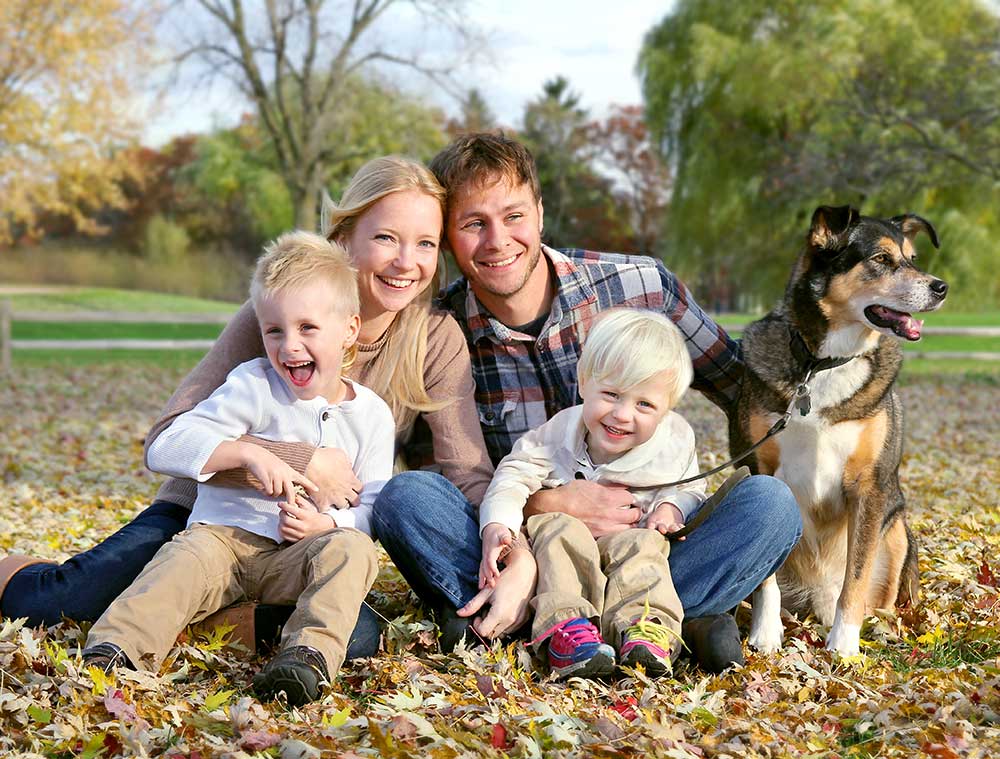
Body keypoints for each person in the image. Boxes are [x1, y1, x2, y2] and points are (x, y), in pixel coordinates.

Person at [1, 156, 533, 654]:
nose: (405, 262)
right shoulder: (278, 316)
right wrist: (301, 461)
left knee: (357, 637)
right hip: (206, 520)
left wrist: (515, 545)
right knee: (57, 603)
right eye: (386, 238)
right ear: (345, 238)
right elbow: (169, 431)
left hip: (307, 540)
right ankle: (103, 593)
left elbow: (464, 472)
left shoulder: (434, 335)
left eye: (424, 244)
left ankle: (182, 617)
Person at [372, 132, 804, 672]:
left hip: (651, 551)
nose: (497, 240)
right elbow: (438, 478)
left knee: (771, 505)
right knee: (406, 497)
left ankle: (570, 625)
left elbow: (747, 387)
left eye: (513, 216)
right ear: (449, 240)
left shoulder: (641, 286)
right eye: (472, 223)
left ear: (540, 212)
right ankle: (659, 623)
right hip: (523, 556)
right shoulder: (436, 332)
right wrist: (544, 507)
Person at [83, 232, 392, 706]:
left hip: (298, 556)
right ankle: (117, 648)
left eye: (307, 328)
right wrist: (247, 453)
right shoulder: (252, 385)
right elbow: (167, 446)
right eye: (275, 330)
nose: (289, 346)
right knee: (178, 563)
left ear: (350, 329)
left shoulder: (371, 414)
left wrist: (327, 524)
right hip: (222, 542)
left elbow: (374, 507)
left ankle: (305, 659)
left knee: (352, 552)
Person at [479, 308, 703, 679]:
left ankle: (645, 630)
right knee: (557, 528)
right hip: (564, 551)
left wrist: (670, 507)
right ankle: (567, 630)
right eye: (611, 394)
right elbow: (512, 475)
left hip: (628, 541)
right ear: (584, 383)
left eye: (644, 404)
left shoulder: (674, 441)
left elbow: (690, 486)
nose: (622, 415)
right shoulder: (556, 434)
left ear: (667, 409)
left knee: (644, 548)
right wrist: (499, 525)